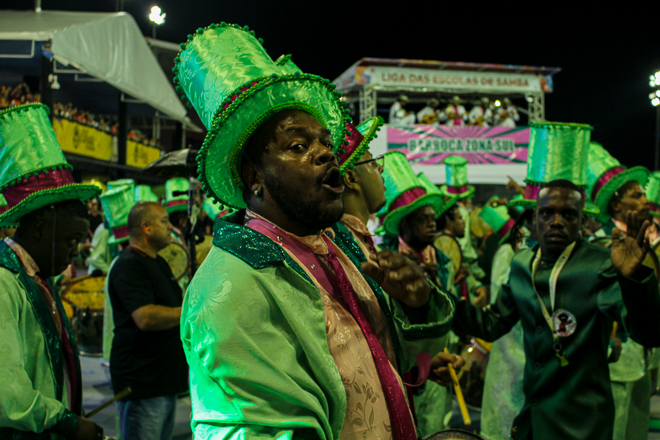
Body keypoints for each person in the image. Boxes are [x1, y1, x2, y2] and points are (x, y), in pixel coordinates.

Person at [175, 23, 455, 439]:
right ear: (254, 177)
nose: (325, 152)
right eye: (297, 146)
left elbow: (393, 368)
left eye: (324, 141)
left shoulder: (338, 246)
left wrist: (415, 308)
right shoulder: (231, 287)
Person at [0, 103, 104, 440]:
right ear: (42, 229)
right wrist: (65, 421)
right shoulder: (4, 282)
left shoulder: (36, 279)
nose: (76, 251)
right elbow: (7, 394)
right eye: (71, 239)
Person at [586, 142, 655, 440]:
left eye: (644, 193)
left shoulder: (645, 242)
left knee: (637, 433)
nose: (645, 200)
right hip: (615, 363)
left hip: (642, 358)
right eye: (636, 195)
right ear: (616, 205)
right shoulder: (600, 247)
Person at [107, 201, 188, 440]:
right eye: (164, 221)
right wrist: (188, 312)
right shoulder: (130, 265)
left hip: (162, 379)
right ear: (146, 228)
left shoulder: (157, 261)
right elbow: (145, 317)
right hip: (142, 382)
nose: (170, 227)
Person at [477, 198, 527, 440]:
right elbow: (501, 301)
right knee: (504, 419)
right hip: (509, 348)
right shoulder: (507, 253)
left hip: (524, 352)